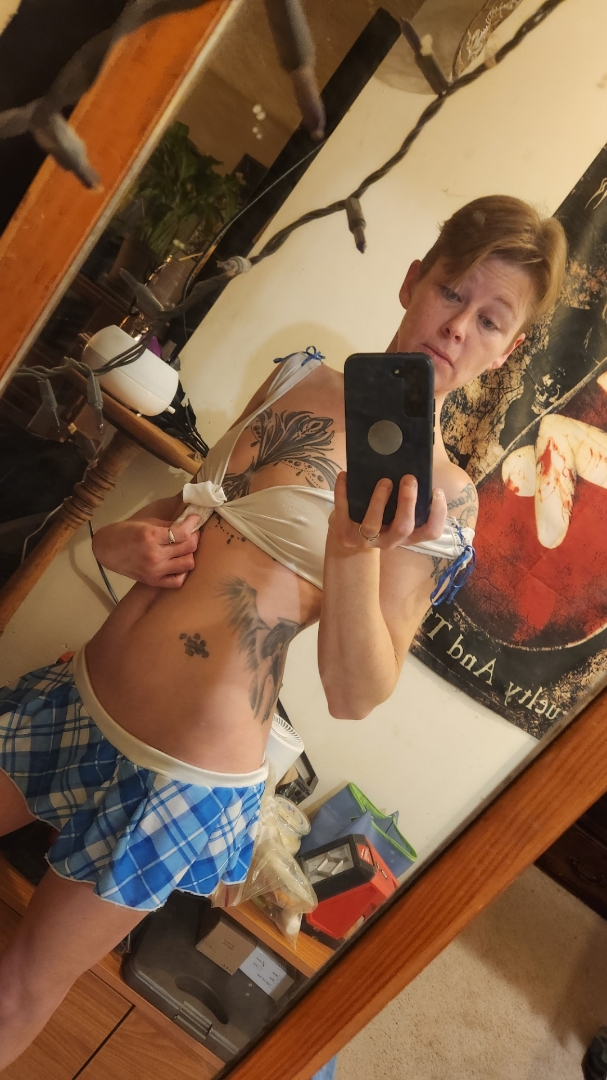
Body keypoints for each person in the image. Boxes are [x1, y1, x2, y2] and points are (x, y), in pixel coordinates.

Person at [0, 195, 566, 1070]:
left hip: (178, 778)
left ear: (507, 349)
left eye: (489, 320)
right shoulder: (294, 377)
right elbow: (195, 508)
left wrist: (352, 547)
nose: (458, 327)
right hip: (81, 694)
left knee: (21, 985)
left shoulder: (441, 500)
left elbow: (356, 691)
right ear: (413, 280)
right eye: (452, 291)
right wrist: (117, 540)